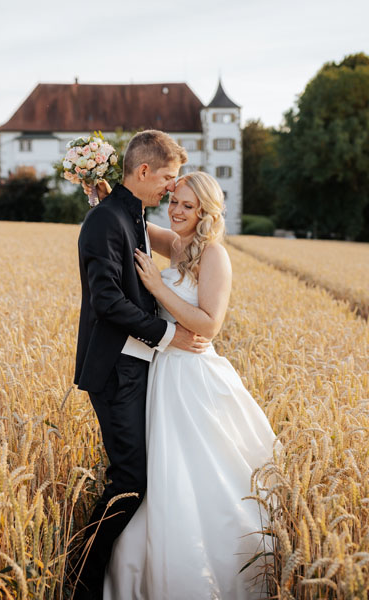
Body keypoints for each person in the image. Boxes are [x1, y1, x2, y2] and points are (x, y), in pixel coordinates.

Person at [105, 171, 277, 598]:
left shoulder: (213, 255)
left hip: (193, 376)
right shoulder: (176, 242)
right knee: (163, 474)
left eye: (187, 205)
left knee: (199, 471)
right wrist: (106, 192)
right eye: (174, 201)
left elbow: (209, 325)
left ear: (205, 212)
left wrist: (155, 287)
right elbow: (135, 224)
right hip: (163, 373)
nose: (177, 211)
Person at [72, 130, 210, 600]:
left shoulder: (130, 214)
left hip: (139, 368)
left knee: (138, 475)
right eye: (168, 178)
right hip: (115, 369)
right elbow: (108, 301)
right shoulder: (105, 221)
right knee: (130, 478)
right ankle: (81, 578)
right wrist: (171, 334)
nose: (171, 188)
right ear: (145, 171)